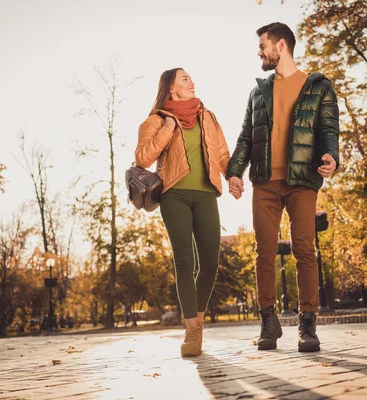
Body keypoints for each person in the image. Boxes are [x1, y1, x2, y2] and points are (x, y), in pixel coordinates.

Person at [226, 22, 339, 352]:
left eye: (263, 45)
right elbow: (246, 138)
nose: (259, 52)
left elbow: (328, 129)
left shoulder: (318, 86)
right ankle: (268, 321)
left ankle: (307, 325)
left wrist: (330, 156)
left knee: (304, 249)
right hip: (265, 181)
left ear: (281, 46)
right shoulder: (258, 92)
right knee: (264, 252)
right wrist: (234, 171)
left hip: (302, 180)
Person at [135, 68, 230, 357]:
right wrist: (168, 128)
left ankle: (197, 321)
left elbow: (222, 153)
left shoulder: (207, 116)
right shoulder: (154, 121)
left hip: (205, 194)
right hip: (174, 195)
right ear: (171, 88)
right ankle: (192, 330)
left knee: (211, 263)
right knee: (184, 263)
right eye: (185, 79)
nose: (192, 82)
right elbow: (142, 157)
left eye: (191, 78)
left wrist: (233, 175)